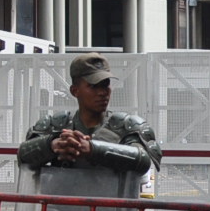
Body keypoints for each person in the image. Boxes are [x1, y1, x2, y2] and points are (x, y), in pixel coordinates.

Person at [17, 53, 162, 178]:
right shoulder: (56, 127)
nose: (102, 92)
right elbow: (23, 157)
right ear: (75, 91)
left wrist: (93, 149)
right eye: (94, 86)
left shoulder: (126, 127)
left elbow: (143, 160)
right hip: (64, 210)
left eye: (105, 85)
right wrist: (52, 145)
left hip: (111, 210)